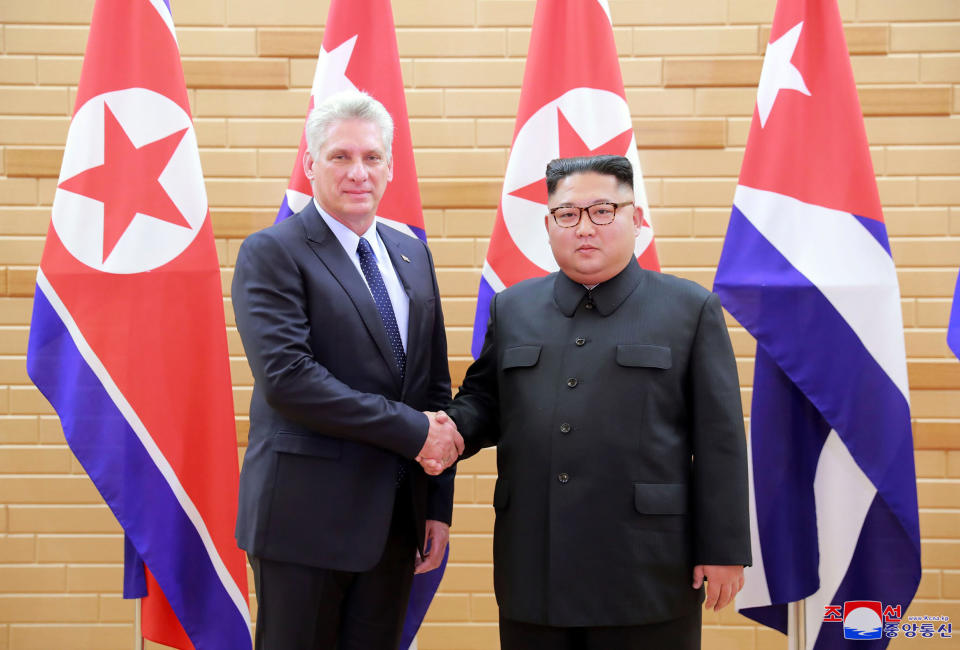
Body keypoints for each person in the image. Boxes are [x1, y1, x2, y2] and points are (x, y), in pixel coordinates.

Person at [441, 155, 751, 649]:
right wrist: (448, 431)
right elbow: (486, 402)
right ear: (548, 224)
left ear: (636, 217)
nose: (584, 227)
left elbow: (721, 441)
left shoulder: (689, 309)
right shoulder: (513, 307)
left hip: (647, 569)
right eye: (567, 214)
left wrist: (725, 547)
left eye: (603, 210)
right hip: (535, 567)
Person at [232, 89, 462, 650]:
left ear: (390, 167)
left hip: (392, 522)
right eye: (340, 156)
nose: (358, 171)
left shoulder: (411, 253)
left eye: (372, 157)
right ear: (310, 164)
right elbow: (290, 379)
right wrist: (414, 434)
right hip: (302, 524)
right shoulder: (273, 252)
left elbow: (431, 384)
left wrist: (435, 505)